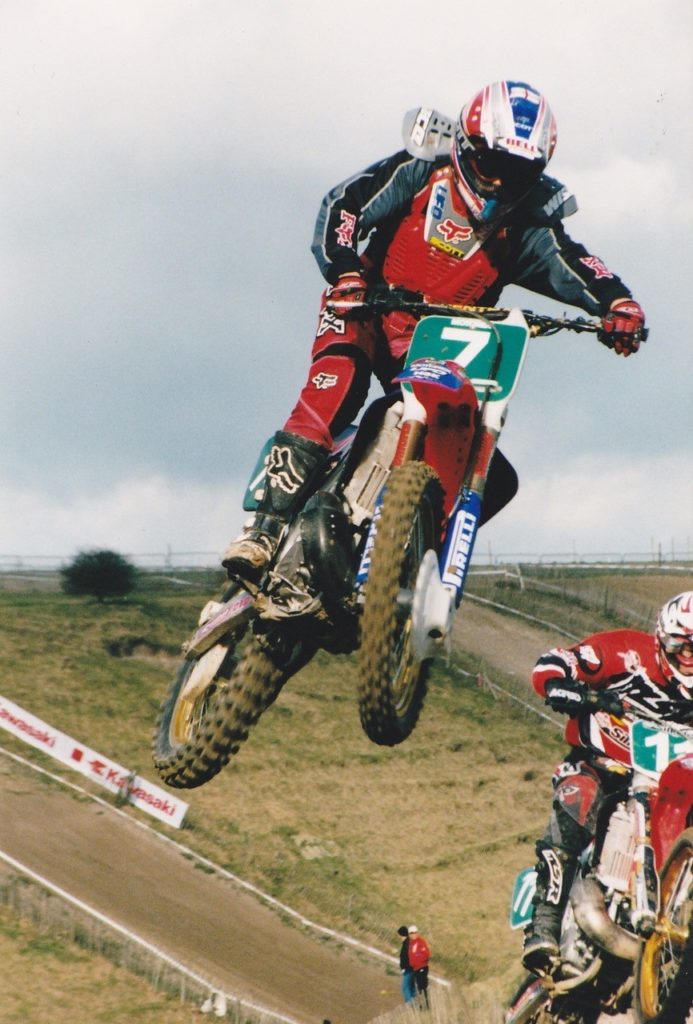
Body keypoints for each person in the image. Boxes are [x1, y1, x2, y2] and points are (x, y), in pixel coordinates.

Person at [222, 80, 646, 583]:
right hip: (365, 306)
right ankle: (262, 530)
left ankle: (399, 561)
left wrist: (617, 303)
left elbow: (573, 263)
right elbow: (344, 205)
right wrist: (346, 271)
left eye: (517, 172)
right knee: (337, 388)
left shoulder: (527, 223)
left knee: (491, 472)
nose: (499, 182)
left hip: (435, 339)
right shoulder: (420, 170)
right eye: (491, 164)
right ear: (465, 145)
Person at [522, 591, 693, 974]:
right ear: (660, 638)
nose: (686, 657)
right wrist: (560, 685)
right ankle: (544, 922)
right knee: (579, 797)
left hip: (672, 782)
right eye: (678, 645)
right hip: (603, 762)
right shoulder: (625, 652)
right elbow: (560, 660)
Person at [407, 924, 431, 1007]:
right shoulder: (411, 944)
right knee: (419, 987)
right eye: (411, 933)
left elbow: (426, 954)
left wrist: (417, 958)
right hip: (415, 968)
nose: (413, 934)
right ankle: (423, 1004)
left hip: (422, 967)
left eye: (414, 932)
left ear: (417, 933)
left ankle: (426, 1005)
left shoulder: (421, 942)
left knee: (422, 986)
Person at [397, 924, 417, 1003]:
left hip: (409, 970)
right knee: (412, 988)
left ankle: (411, 1006)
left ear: (401, 934)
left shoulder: (406, 944)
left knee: (405, 987)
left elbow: (406, 958)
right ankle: (416, 1004)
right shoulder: (409, 942)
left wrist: (404, 968)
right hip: (413, 969)